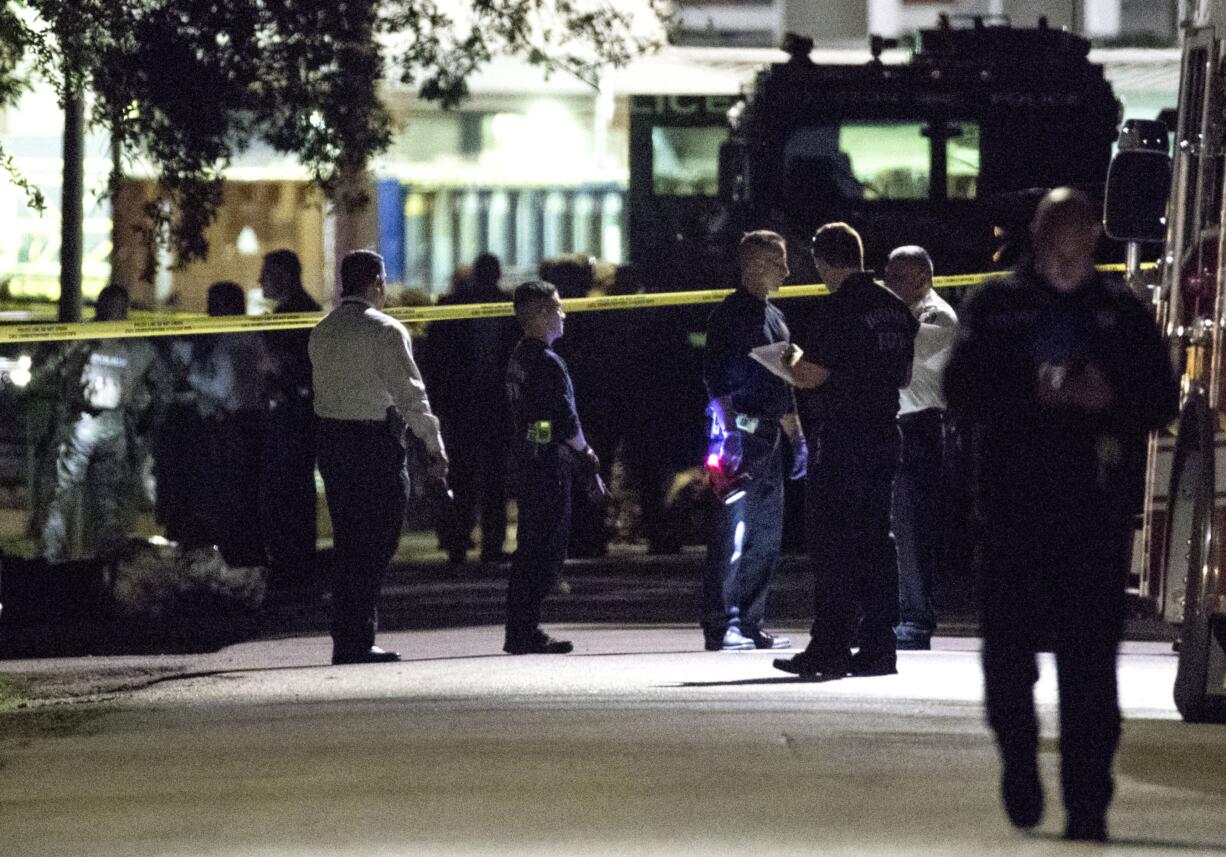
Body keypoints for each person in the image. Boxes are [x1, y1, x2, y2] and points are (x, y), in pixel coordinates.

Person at [943, 189, 1177, 842]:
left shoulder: (1117, 310)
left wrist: (1110, 396)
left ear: (1095, 241)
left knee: (1090, 669)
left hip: (1091, 515)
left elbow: (1158, 396)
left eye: (1080, 241)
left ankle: (1087, 802)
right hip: (1012, 509)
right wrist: (1032, 392)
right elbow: (962, 388)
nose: (1069, 255)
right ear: (1038, 240)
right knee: (1009, 661)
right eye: (1056, 241)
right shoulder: (996, 306)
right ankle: (1020, 762)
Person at [773, 222, 918, 679]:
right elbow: (904, 377)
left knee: (834, 544)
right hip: (884, 434)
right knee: (877, 542)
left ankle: (830, 648)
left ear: (821, 262)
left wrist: (788, 359)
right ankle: (879, 647)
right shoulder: (896, 309)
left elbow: (811, 375)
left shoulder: (839, 309)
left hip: (844, 438)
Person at [309, 250, 448, 665]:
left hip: (333, 442)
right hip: (374, 444)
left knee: (349, 540)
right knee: (379, 539)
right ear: (377, 283)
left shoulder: (322, 331)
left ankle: (347, 635)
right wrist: (434, 444)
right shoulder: (386, 331)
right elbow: (411, 394)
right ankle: (357, 637)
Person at [701, 230, 806, 651]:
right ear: (752, 266)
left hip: (768, 439)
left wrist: (796, 439)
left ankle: (749, 621)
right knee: (730, 536)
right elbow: (716, 379)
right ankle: (721, 624)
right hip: (739, 438)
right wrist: (727, 436)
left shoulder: (776, 317)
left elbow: (785, 384)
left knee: (766, 536)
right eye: (777, 261)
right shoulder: (728, 317)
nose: (786, 270)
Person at [503, 280, 598, 655]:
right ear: (540, 313)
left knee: (531, 546)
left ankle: (522, 627)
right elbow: (565, 417)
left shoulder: (519, 358)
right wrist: (586, 454)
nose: (563, 314)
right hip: (546, 465)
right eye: (557, 306)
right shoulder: (546, 362)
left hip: (528, 459)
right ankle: (525, 631)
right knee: (543, 549)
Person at [37, 284, 165, 562]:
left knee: (65, 492)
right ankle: (109, 557)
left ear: (99, 307)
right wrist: (147, 415)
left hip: (81, 423)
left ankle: (50, 553)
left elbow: (48, 365)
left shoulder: (81, 335)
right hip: (116, 426)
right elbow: (161, 381)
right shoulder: (135, 341)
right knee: (107, 498)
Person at [883, 246, 958, 651]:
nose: (888, 284)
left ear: (923, 278)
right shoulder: (905, 314)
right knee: (898, 526)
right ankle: (904, 613)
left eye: (898, 276)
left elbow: (900, 356)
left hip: (921, 428)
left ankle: (917, 617)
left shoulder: (937, 317)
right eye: (887, 275)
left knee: (914, 529)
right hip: (903, 427)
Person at [428, 253, 514, 565]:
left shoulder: (463, 306)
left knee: (473, 478)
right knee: (481, 478)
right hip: (473, 404)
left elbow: (435, 355)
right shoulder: (503, 308)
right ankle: (474, 542)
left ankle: (465, 541)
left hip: (477, 404)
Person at [180, 282, 269, 566]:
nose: (208, 311)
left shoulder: (233, 339)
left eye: (214, 305)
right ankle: (245, 562)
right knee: (241, 500)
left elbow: (221, 388)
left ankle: (238, 563)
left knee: (231, 501)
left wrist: (190, 373)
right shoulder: (247, 336)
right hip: (245, 424)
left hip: (232, 427)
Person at [259, 249, 321, 589]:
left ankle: (292, 569)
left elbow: (287, 366)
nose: (260, 280)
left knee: (288, 490)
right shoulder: (299, 310)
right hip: (296, 410)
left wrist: (275, 370)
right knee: (292, 490)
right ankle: (295, 566)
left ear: (284, 274)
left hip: (294, 413)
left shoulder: (295, 314)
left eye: (266, 272)